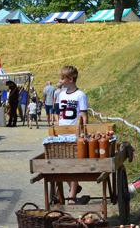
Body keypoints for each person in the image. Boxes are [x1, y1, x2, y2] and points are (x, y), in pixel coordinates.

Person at [58, 65, 88, 204]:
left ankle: (71, 196)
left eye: (62, 78)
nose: (60, 80)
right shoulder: (61, 94)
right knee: (62, 165)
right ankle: (74, 187)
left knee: (73, 165)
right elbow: (59, 113)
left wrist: (83, 131)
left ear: (70, 79)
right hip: (61, 133)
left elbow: (83, 114)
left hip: (74, 133)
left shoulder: (80, 95)